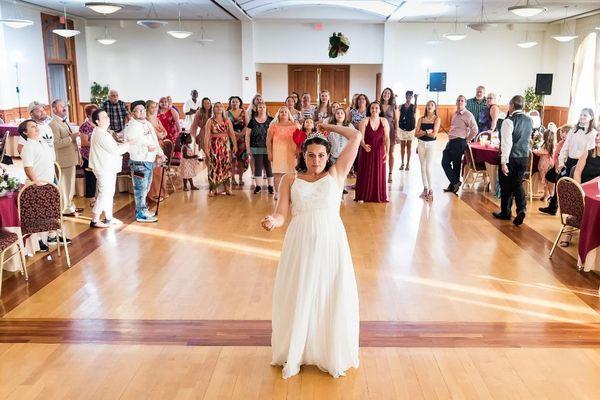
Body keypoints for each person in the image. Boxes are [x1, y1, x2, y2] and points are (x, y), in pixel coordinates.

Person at [261, 122, 362, 379]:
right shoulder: (290, 179)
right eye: (310, 155)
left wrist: (325, 126)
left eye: (321, 155)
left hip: (331, 242)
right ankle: (300, 349)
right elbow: (281, 213)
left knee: (329, 292)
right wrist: (273, 222)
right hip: (300, 242)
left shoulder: (336, 174)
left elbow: (356, 135)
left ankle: (326, 350)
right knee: (300, 291)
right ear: (302, 156)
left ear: (328, 157)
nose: (316, 160)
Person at [540, 109, 597, 215]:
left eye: (585, 115)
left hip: (581, 162)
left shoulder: (592, 133)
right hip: (569, 160)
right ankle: (553, 207)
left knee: (575, 187)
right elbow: (565, 147)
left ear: (591, 117)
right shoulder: (573, 130)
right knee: (559, 182)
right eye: (581, 114)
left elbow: (589, 151)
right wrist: (561, 162)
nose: (582, 117)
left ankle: (576, 213)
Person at [492, 95, 532, 226]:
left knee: (506, 185)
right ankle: (517, 210)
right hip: (524, 157)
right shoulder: (529, 120)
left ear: (512, 106)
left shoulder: (508, 121)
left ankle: (509, 211)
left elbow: (507, 143)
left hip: (511, 157)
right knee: (517, 182)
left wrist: (503, 162)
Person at [123, 100, 165, 223]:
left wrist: (160, 153)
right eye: (138, 110)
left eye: (143, 109)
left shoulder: (147, 123)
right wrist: (146, 146)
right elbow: (130, 141)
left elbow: (154, 140)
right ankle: (140, 213)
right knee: (140, 188)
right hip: (139, 163)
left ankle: (144, 209)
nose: (142, 112)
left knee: (146, 187)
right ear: (133, 112)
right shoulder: (131, 126)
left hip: (149, 161)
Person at [19, 119, 57, 252]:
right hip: (38, 185)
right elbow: (28, 168)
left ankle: (52, 235)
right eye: (32, 126)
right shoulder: (28, 147)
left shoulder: (41, 142)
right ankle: (37, 240)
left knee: (51, 211)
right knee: (36, 215)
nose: (36, 128)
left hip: (49, 182)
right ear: (25, 132)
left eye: (36, 126)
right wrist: (37, 184)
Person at [88, 109, 130, 228]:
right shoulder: (101, 134)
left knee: (109, 193)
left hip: (107, 167)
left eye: (107, 116)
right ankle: (95, 220)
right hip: (103, 168)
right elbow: (116, 150)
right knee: (104, 193)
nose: (107, 119)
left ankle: (108, 217)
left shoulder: (102, 132)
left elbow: (113, 147)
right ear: (97, 121)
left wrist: (124, 144)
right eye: (104, 117)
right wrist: (128, 144)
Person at [49, 99, 81, 217]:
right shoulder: (53, 124)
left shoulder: (62, 121)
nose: (64, 108)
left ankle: (70, 205)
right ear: (54, 109)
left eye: (64, 106)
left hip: (69, 157)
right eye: (61, 106)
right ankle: (66, 208)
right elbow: (56, 143)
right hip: (64, 159)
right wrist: (71, 138)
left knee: (69, 184)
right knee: (66, 184)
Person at [442, 95, 479, 194]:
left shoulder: (468, 115)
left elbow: (475, 130)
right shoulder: (455, 113)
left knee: (455, 165)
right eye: (458, 100)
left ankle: (453, 185)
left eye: (462, 101)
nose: (460, 102)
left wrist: (467, 140)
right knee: (445, 162)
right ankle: (455, 183)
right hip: (451, 141)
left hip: (459, 142)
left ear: (465, 103)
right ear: (456, 102)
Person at [355, 101, 389, 203]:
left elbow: (387, 138)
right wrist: (364, 145)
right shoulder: (365, 121)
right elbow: (360, 137)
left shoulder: (384, 121)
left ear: (380, 110)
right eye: (372, 108)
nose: (374, 110)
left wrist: (387, 152)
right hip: (366, 150)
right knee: (365, 171)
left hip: (379, 150)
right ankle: (362, 196)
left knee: (379, 172)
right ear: (369, 110)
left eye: (376, 108)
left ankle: (378, 196)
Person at [204, 102, 237, 197]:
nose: (218, 108)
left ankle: (227, 188)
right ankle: (213, 188)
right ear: (213, 109)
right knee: (214, 166)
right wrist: (206, 148)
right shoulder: (210, 121)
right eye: (216, 107)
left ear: (223, 108)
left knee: (226, 165)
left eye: (220, 106)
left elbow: (231, 133)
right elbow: (207, 136)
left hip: (225, 145)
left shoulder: (227, 120)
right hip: (214, 145)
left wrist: (235, 145)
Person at [268, 106, 299, 196]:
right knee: (277, 173)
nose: (284, 113)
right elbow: (268, 140)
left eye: (286, 112)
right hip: (277, 152)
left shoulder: (294, 125)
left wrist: (298, 150)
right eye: (281, 112)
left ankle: (289, 193)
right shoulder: (274, 126)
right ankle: (277, 193)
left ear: (289, 114)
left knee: (290, 173)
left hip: (290, 152)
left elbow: (299, 140)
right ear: (278, 114)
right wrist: (269, 153)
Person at [245, 102, 274, 194]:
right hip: (256, 147)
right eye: (260, 107)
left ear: (266, 108)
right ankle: (258, 186)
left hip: (269, 147)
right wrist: (248, 148)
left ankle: (270, 186)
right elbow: (247, 135)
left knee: (269, 167)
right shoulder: (252, 121)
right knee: (258, 166)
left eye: (263, 107)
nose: (261, 109)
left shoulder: (271, 120)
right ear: (257, 109)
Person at [415, 100, 441, 201]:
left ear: (435, 108)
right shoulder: (421, 119)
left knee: (428, 167)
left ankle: (431, 190)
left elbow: (434, 134)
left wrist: (422, 132)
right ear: (426, 107)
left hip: (431, 145)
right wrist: (426, 131)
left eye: (432, 105)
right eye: (428, 105)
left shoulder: (437, 119)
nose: (430, 106)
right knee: (422, 167)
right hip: (421, 144)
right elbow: (416, 134)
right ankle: (425, 189)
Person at [146, 100, 169, 202]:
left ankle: (162, 192)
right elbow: (159, 134)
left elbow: (165, 132)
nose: (154, 109)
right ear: (147, 108)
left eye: (155, 107)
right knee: (155, 171)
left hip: (160, 145)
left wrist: (162, 134)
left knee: (161, 170)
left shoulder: (157, 119)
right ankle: (154, 194)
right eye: (152, 107)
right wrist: (161, 134)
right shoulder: (147, 121)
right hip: (152, 147)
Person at [79, 104, 98, 206]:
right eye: (94, 113)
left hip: (97, 155)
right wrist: (97, 143)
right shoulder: (85, 126)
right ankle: (92, 199)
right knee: (90, 178)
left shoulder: (97, 124)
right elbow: (84, 142)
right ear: (89, 114)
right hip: (88, 156)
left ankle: (99, 197)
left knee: (98, 176)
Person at [228, 96, 248, 186]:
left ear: (239, 103)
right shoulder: (226, 113)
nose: (234, 103)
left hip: (242, 138)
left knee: (241, 159)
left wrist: (240, 135)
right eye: (233, 101)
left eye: (236, 101)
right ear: (230, 103)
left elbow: (247, 125)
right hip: (230, 138)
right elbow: (226, 126)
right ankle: (232, 179)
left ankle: (240, 178)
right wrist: (234, 135)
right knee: (232, 159)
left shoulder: (244, 112)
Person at [380, 88, 398, 182]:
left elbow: (396, 121)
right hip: (379, 131)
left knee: (390, 153)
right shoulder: (378, 105)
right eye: (385, 92)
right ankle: (380, 173)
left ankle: (390, 174)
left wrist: (396, 134)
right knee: (380, 153)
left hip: (390, 131)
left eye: (388, 93)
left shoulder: (393, 106)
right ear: (382, 94)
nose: (386, 94)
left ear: (390, 95)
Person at [533, 127, 556, 202]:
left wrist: (534, 150)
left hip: (544, 164)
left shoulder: (547, 145)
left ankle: (547, 194)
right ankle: (545, 194)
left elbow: (540, 152)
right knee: (546, 180)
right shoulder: (551, 144)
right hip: (548, 163)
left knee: (545, 179)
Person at [398, 90, 417, 171]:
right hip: (402, 127)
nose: (408, 97)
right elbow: (397, 111)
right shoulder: (401, 106)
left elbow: (415, 110)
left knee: (409, 146)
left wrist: (416, 99)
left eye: (410, 96)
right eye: (407, 95)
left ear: (412, 97)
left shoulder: (413, 106)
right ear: (405, 96)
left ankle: (408, 163)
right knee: (402, 146)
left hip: (410, 127)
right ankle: (402, 163)